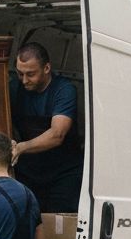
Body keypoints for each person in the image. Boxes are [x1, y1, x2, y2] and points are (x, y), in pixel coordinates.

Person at [9, 42, 84, 212]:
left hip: (64, 172)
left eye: (31, 74)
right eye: (20, 74)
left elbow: (57, 134)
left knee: (59, 222)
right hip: (30, 171)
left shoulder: (64, 90)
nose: (25, 80)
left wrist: (21, 147)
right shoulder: (14, 88)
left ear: (47, 68)